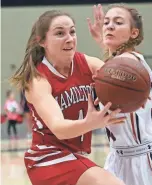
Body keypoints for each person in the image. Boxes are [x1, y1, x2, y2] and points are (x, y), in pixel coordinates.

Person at [10, 10, 126, 185]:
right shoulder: (38, 80)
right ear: (42, 41)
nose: (69, 38)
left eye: (72, 31)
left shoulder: (86, 63)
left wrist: (105, 43)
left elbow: (123, 78)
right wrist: (91, 123)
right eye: (59, 33)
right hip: (48, 157)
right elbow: (59, 128)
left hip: (75, 155)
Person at [87, 4, 152, 185]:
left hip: (142, 160)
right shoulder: (123, 63)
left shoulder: (127, 64)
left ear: (134, 33)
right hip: (118, 157)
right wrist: (103, 42)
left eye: (118, 22)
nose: (109, 26)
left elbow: (117, 70)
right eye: (107, 22)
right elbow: (115, 66)